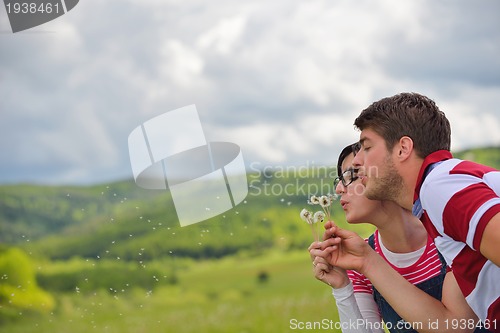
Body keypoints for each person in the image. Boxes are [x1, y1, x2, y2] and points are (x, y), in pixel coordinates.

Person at [325, 93, 499, 326]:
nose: (357, 161)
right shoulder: (436, 201)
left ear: (403, 148)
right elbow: (453, 326)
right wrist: (366, 262)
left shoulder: (438, 186)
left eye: (366, 147)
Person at [309, 143, 485, 333]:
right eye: (339, 180)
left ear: (384, 176)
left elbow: (455, 328)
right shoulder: (358, 261)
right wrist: (342, 288)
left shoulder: (448, 234)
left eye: (351, 176)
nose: (339, 190)